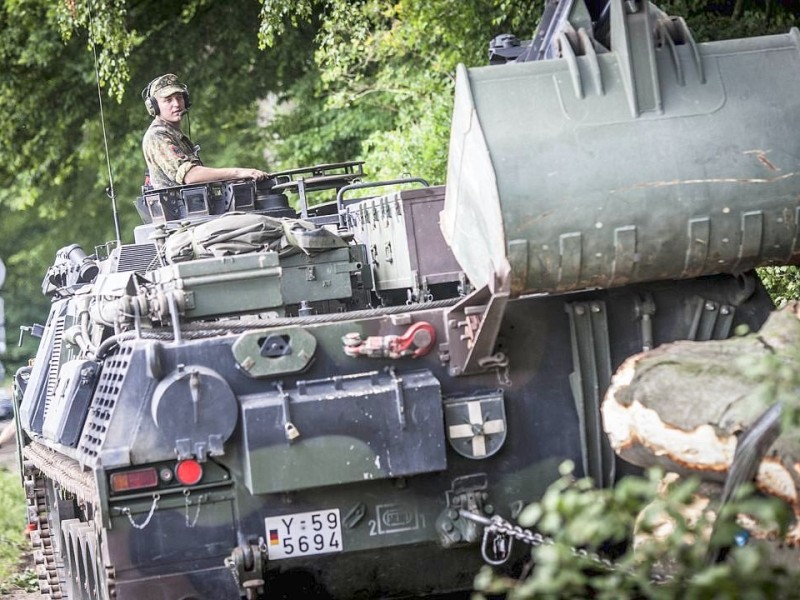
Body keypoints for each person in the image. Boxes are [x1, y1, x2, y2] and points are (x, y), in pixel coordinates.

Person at [141, 73, 268, 189]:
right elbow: (190, 176)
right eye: (168, 100)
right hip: (178, 212)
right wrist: (238, 173)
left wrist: (239, 179)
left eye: (179, 97)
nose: (176, 104)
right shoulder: (157, 136)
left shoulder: (174, 133)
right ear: (154, 107)